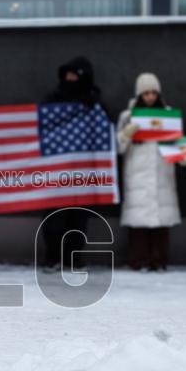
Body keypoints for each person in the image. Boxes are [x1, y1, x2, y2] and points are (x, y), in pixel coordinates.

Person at [40, 56, 104, 270]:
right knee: (53, 218)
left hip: (81, 171)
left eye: (74, 76)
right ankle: (53, 256)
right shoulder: (52, 101)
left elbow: (103, 130)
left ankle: (73, 257)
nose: (69, 79)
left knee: (78, 218)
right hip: (56, 170)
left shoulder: (93, 104)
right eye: (66, 75)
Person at [116, 73, 181, 271]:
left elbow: (178, 143)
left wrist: (184, 154)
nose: (150, 97)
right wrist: (125, 135)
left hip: (162, 173)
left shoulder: (169, 114)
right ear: (139, 95)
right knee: (139, 223)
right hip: (138, 174)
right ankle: (138, 260)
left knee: (161, 222)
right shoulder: (127, 116)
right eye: (146, 93)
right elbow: (118, 148)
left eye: (153, 92)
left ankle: (159, 260)